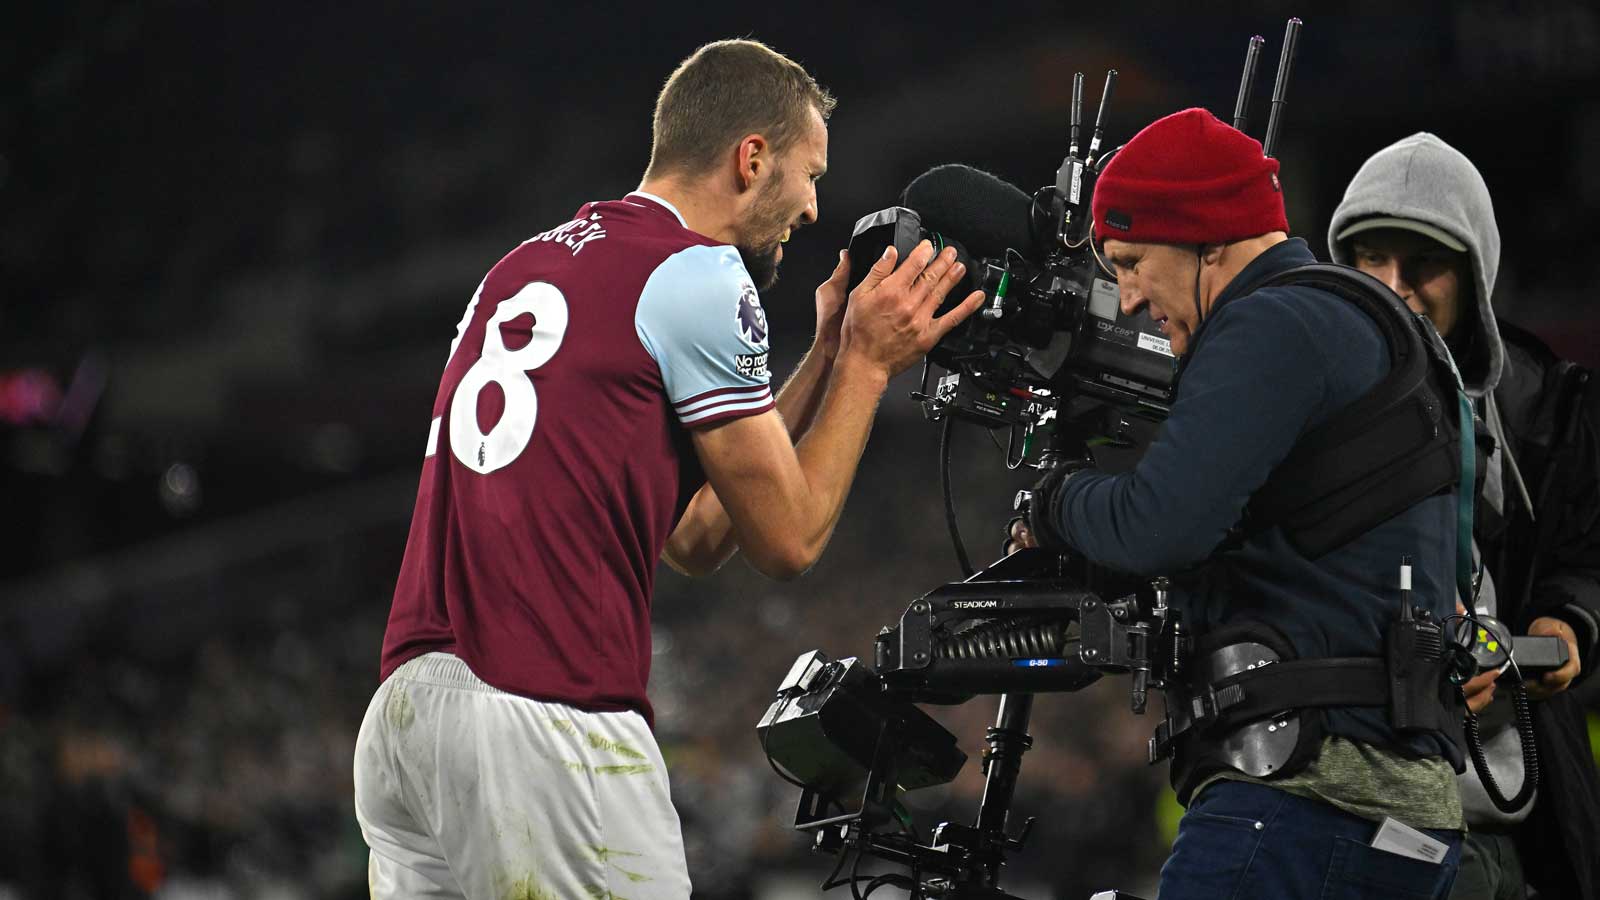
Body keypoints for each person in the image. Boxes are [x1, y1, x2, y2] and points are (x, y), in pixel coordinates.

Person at [351, 39, 984, 900]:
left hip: (409, 716)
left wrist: (830, 352)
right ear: (751, 159)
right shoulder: (699, 271)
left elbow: (694, 534)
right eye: (809, 173)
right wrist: (870, 369)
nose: (810, 208)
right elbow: (788, 539)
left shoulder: (526, 263)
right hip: (541, 710)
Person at [1009, 108, 1466, 897]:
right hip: (1386, 808)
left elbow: (1160, 525)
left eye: (1130, 261)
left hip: (1307, 800)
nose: (1124, 299)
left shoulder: (1273, 323)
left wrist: (1053, 501)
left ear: (1206, 239)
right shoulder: (1352, 320)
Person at [1330, 132, 1600, 900]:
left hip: (1508, 820)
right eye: (1369, 261)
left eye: (1424, 265)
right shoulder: (1298, 402)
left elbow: (1586, 554)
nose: (1394, 287)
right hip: (1352, 816)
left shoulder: (1544, 405)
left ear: (1474, 272)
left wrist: (1567, 623)